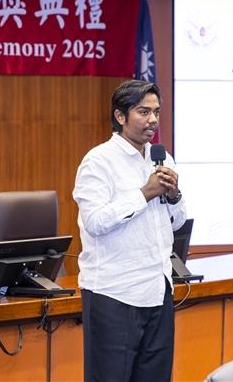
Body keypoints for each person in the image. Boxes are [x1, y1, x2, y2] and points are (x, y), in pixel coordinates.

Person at [73, 79, 187, 382]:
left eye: (156, 112)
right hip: (114, 293)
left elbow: (177, 222)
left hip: (157, 288)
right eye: (143, 112)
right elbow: (95, 222)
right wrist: (144, 193)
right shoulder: (98, 161)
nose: (152, 120)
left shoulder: (161, 157)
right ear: (120, 116)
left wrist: (174, 196)